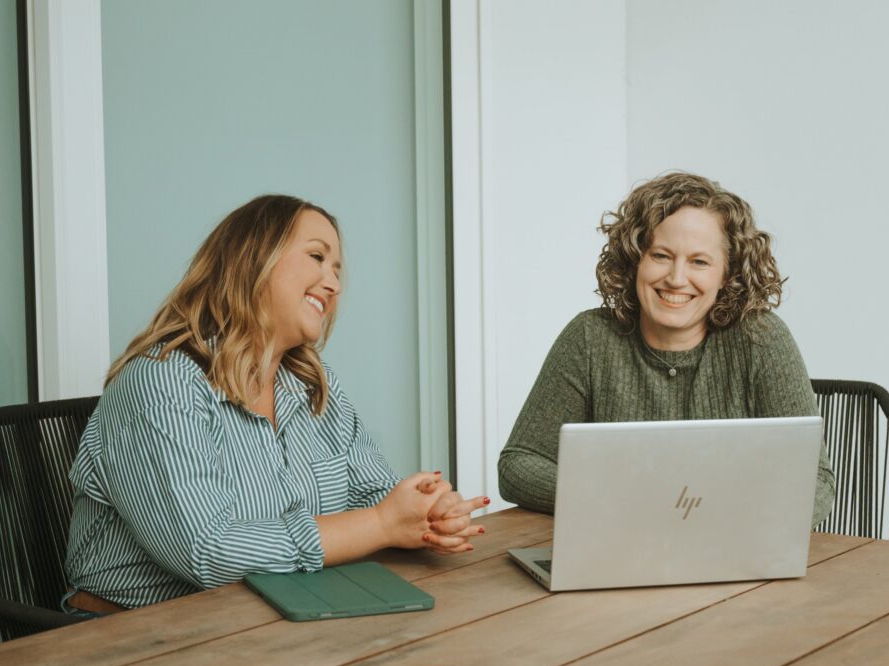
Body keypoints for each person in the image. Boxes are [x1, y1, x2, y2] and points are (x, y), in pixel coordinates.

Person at [64, 195, 486, 613]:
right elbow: (209, 551)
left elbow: (374, 495)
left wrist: (427, 514)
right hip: (133, 637)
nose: (334, 284)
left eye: (337, 270)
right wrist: (381, 524)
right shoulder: (161, 382)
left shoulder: (312, 385)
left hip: (273, 614)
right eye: (317, 257)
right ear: (253, 261)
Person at [498, 172, 835, 526]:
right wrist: (621, 500)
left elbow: (815, 480)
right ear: (634, 261)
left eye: (699, 262)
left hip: (730, 547)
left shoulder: (761, 339)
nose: (676, 278)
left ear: (726, 275)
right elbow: (519, 463)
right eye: (660, 255)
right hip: (616, 544)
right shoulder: (589, 337)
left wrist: (736, 523)